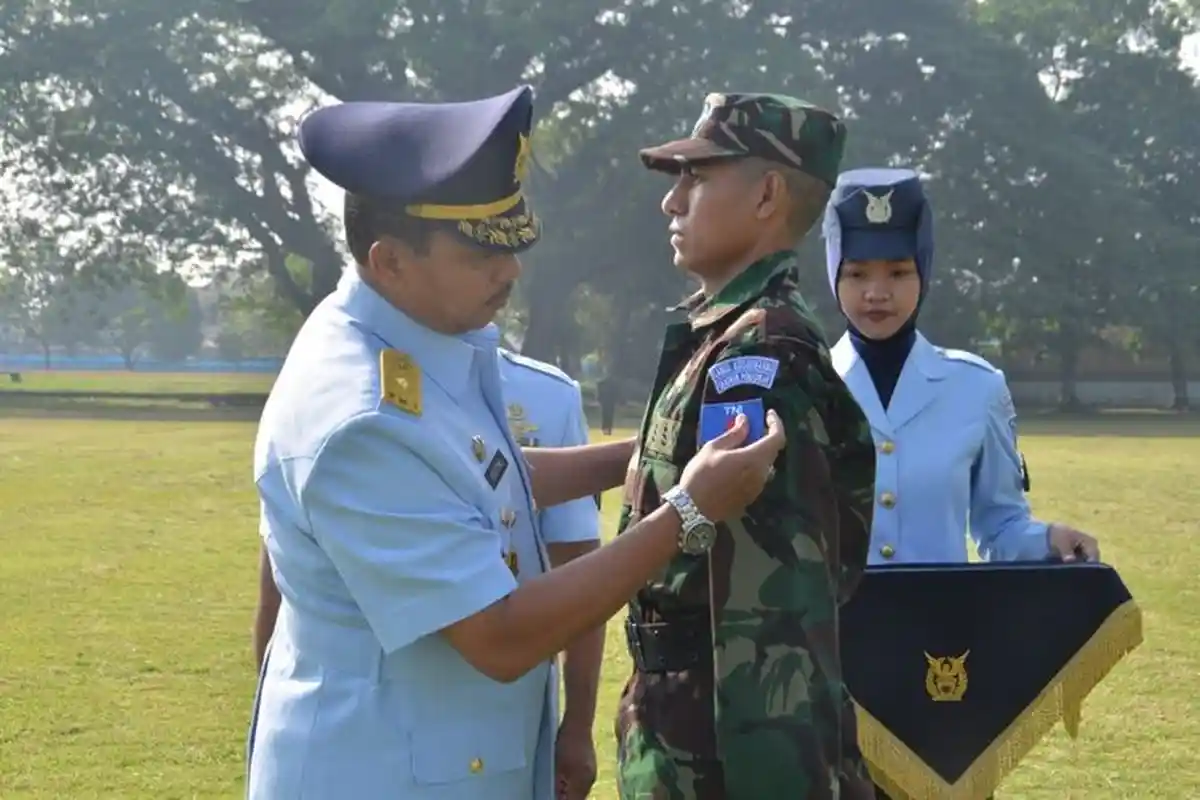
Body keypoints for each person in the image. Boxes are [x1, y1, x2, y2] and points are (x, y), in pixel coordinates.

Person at [246, 84, 788, 800]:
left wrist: (655, 450)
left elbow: (472, 480)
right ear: (391, 262)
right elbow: (499, 639)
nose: (510, 270)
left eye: (510, 242)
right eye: (480, 255)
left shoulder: (412, 344)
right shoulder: (361, 414)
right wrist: (687, 510)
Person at [614, 92, 879, 800]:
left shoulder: (761, 352)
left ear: (767, 194)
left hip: (724, 757)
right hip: (682, 734)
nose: (671, 203)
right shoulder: (724, 338)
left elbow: (767, 622)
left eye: (695, 178)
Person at [822, 167, 1102, 799]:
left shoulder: (977, 389)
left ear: (923, 270)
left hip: (941, 674)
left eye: (898, 272)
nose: (877, 293)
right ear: (834, 272)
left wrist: (1048, 537)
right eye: (859, 273)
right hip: (831, 668)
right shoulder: (804, 383)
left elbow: (999, 524)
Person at [251, 346, 605, 797]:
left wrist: (577, 725)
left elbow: (574, 561)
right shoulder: (343, 383)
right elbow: (277, 586)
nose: (507, 273)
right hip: (360, 744)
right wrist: (682, 511)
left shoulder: (547, 394)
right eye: (477, 266)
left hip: (500, 740)